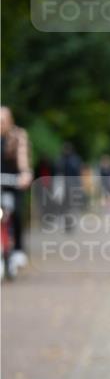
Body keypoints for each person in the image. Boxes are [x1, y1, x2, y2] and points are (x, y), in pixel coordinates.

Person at [0, 107, 33, 269]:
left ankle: (18, 248)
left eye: (3, 121)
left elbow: (22, 157)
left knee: (16, 213)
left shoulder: (18, 136)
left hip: (13, 183)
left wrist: (25, 174)